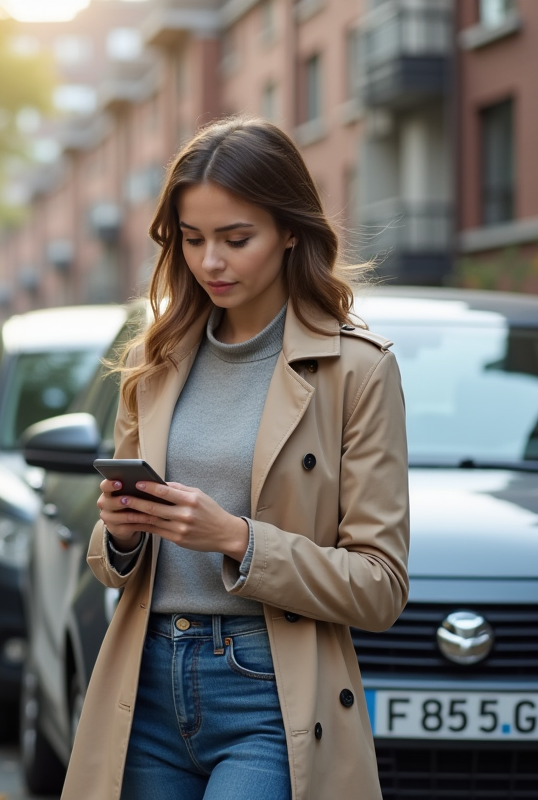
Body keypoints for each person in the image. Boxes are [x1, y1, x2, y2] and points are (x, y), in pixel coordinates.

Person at [60, 117, 410, 800]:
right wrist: (123, 533)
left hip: (269, 695)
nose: (210, 262)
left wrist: (237, 540)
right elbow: (109, 564)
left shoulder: (357, 369)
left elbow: (379, 585)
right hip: (145, 686)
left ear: (289, 230)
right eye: (192, 240)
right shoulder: (154, 360)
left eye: (235, 239)